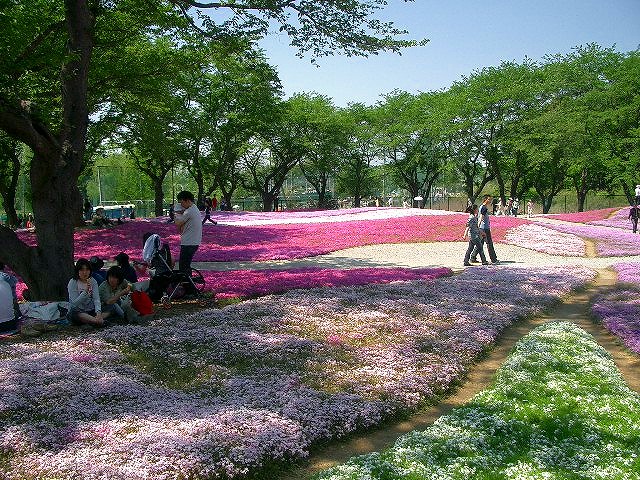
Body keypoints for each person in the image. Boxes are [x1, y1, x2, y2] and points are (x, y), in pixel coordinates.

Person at [175, 191, 202, 288]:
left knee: (184, 267)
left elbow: (178, 222)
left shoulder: (189, 211)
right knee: (185, 266)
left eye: (181, 202)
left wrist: (177, 211)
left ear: (187, 200)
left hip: (189, 243)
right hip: (192, 242)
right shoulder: (193, 209)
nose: (181, 204)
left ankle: (189, 288)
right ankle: (189, 287)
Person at [67, 258, 105, 326]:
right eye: (82, 270)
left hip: (90, 310)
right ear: (77, 271)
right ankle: (97, 321)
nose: (85, 272)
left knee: (108, 306)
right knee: (74, 312)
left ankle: (95, 319)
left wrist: (98, 312)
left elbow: (96, 299)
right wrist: (85, 291)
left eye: (87, 270)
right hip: (78, 311)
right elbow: (74, 303)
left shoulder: (93, 281)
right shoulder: (73, 282)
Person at [471, 194, 499, 264]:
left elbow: (477, 216)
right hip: (485, 228)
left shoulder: (481, 207)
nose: (490, 201)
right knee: (489, 243)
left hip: (482, 228)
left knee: (480, 243)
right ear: (485, 199)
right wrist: (477, 226)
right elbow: (480, 217)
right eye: (489, 199)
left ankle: (473, 257)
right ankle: (494, 259)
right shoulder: (483, 208)